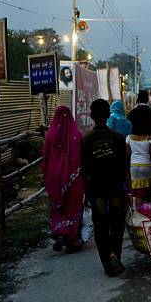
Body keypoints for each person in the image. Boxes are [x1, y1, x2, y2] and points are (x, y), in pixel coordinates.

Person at [81, 99, 130, 277]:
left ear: (92, 116)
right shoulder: (118, 139)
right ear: (109, 115)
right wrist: (129, 190)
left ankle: (107, 261)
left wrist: (86, 194)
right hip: (116, 189)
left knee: (100, 226)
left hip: (97, 190)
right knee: (117, 225)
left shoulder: (86, 140)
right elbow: (125, 168)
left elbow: (84, 171)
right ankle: (115, 255)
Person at [42, 105, 84, 253]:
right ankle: (73, 240)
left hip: (55, 179)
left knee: (58, 207)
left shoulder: (50, 136)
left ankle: (60, 232)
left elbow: (45, 158)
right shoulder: (77, 136)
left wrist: (46, 175)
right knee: (73, 207)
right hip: (73, 179)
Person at [126, 105, 151, 205]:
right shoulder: (150, 138)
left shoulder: (128, 138)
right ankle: (149, 215)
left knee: (138, 194)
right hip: (147, 167)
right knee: (149, 192)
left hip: (134, 168)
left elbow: (127, 155)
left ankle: (139, 215)